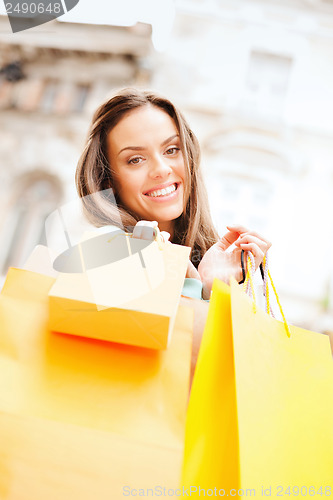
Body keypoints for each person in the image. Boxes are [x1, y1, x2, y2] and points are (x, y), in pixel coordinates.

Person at [75, 87, 271, 301]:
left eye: (171, 150)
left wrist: (208, 289)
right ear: (107, 180)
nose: (161, 169)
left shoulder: (218, 261)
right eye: (135, 159)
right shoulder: (105, 247)